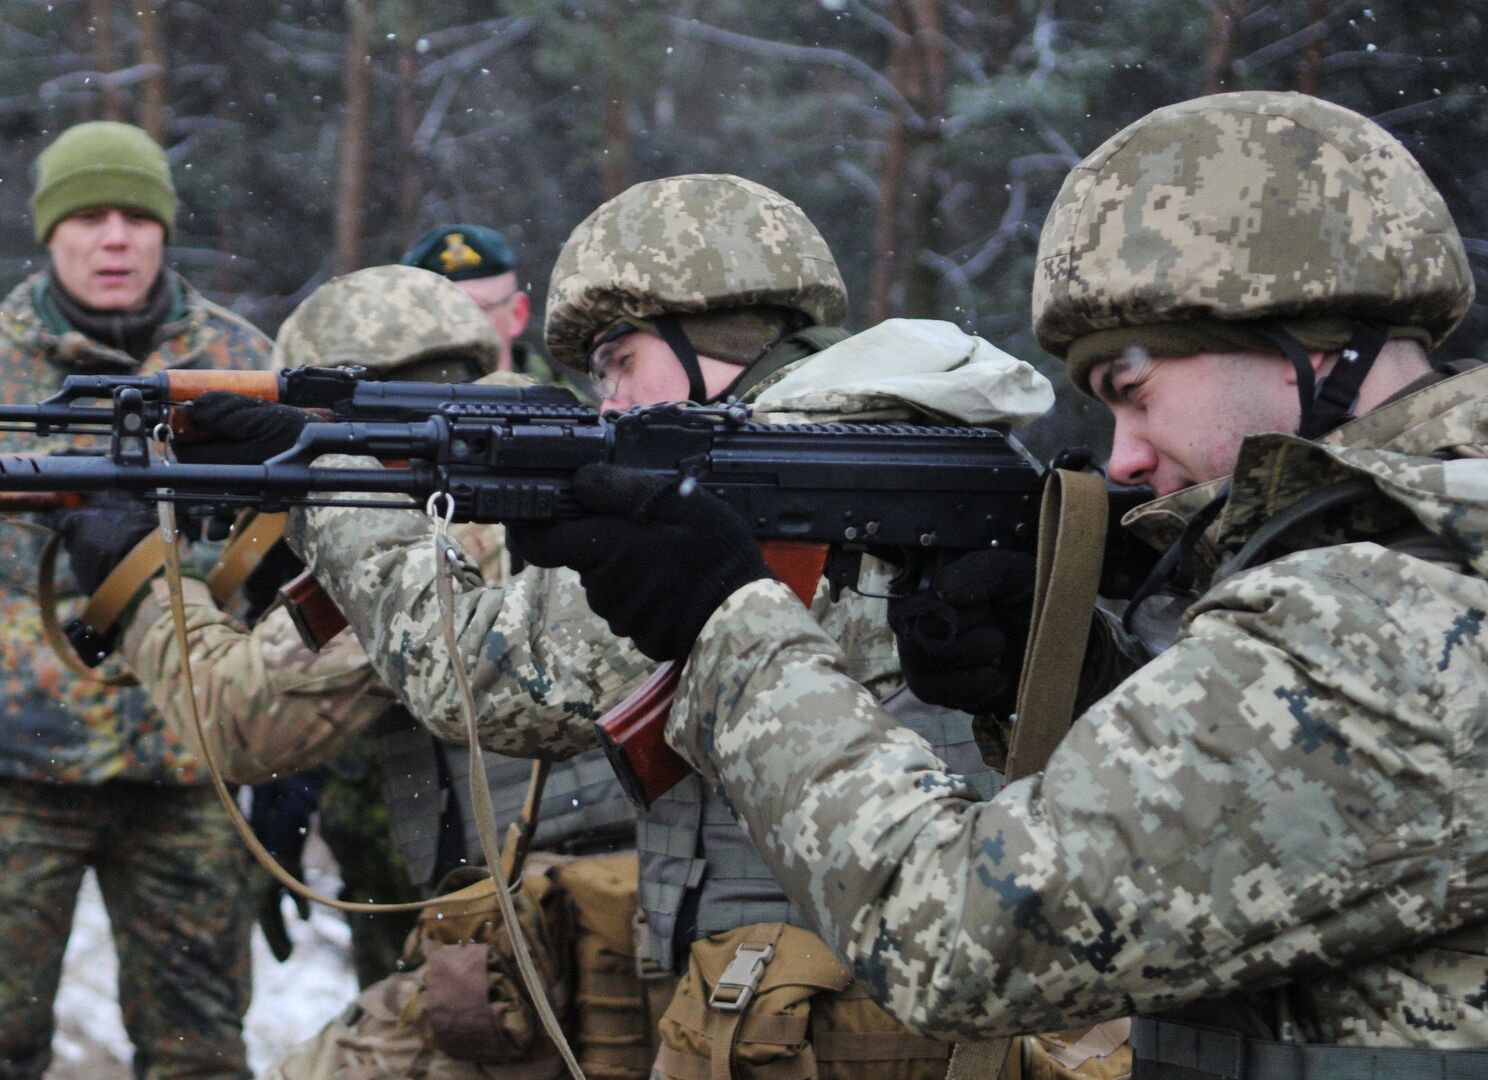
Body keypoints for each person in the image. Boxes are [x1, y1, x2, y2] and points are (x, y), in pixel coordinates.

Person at [514, 92, 1488, 1073]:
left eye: (1131, 391)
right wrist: (1058, 673)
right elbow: (1262, 855)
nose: (1129, 457)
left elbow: (955, 939)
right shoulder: (1416, 569)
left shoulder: (1387, 620)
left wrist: (726, 627)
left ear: (1302, 342)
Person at [197, 175, 1098, 1078]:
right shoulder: (898, 442)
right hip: (820, 1004)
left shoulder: (780, 481)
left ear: (705, 336)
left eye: (617, 360)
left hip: (834, 1017)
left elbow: (475, 678)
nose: (608, 401)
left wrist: (335, 486)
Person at [55, 264, 649, 1079]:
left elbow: (242, 720)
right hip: (592, 929)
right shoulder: (547, 457)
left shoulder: (443, 513)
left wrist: (137, 585)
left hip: (572, 952)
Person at [0, 120, 271, 1079]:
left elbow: (290, 569)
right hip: (16, 777)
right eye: (87, 216)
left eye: (133, 216)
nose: (112, 238)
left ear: (164, 231)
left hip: (192, 772)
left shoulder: (241, 365)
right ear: (49, 232)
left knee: (201, 1055)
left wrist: (294, 764)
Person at [402, 222, 586, 394]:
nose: (454, 328)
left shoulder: (570, 413)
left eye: (474, 310)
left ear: (517, 314)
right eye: (436, 314)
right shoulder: (387, 410)